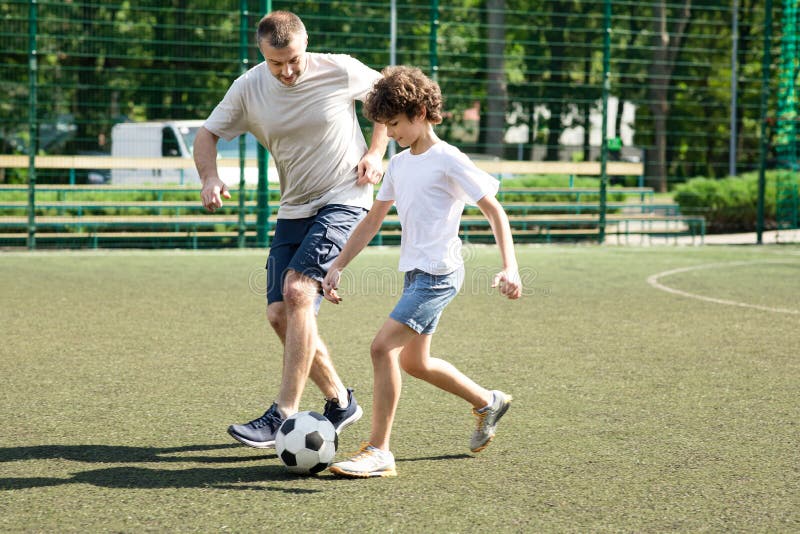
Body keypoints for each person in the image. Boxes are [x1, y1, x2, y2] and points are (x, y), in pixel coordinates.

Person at [194, 11, 389, 448]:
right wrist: (209, 177)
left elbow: (386, 100)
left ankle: (282, 413)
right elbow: (206, 135)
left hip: (345, 196)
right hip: (293, 207)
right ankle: (341, 401)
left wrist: (376, 153)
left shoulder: (338, 68)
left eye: (294, 61)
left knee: (299, 291)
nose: (286, 71)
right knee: (280, 314)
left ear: (306, 45)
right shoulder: (248, 87)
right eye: (276, 63)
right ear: (262, 54)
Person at [321, 66, 522, 478]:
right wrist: (338, 264)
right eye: (385, 125)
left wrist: (510, 267)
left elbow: (493, 209)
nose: (390, 133)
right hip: (415, 274)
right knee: (416, 362)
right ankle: (488, 402)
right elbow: (372, 221)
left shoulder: (448, 159)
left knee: (381, 349)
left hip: (439, 275)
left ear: (419, 111)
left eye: (394, 124)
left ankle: (379, 451)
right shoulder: (397, 166)